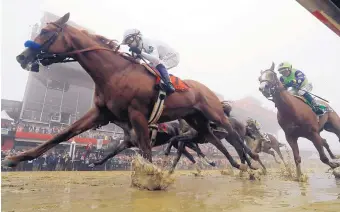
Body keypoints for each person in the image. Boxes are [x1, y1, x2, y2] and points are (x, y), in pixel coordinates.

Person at [122, 28, 179, 94]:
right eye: (127, 43)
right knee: (148, 67)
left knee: (157, 65)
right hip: (161, 57)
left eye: (129, 40)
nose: (128, 44)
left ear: (137, 37)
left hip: (172, 56)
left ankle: (169, 84)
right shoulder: (138, 46)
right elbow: (136, 61)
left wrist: (140, 52)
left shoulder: (147, 42)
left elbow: (155, 59)